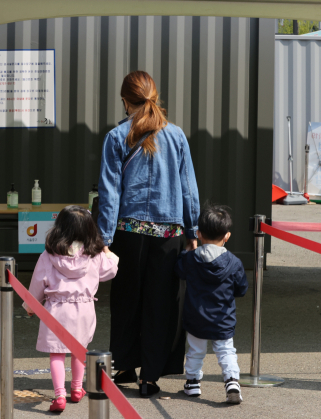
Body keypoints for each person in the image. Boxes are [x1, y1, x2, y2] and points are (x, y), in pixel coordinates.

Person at [97, 70, 200, 397]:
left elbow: (110, 192)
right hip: (169, 235)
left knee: (127, 299)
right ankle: (150, 377)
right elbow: (188, 189)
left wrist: (104, 238)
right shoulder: (178, 136)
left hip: (129, 232)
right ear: (154, 97)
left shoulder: (117, 137)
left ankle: (124, 365)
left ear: (126, 101)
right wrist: (193, 229)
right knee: (161, 304)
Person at [23, 206, 119, 412]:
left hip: (56, 310)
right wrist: (107, 250)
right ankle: (76, 389)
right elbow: (110, 271)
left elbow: (38, 282)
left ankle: (59, 395)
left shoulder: (49, 255)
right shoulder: (94, 254)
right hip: (84, 310)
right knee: (79, 351)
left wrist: (30, 306)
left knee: (57, 354)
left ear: (60, 227)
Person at [175, 204, 248, 404]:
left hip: (195, 316)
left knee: (195, 351)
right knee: (226, 351)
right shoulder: (234, 263)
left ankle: (192, 383)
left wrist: (185, 253)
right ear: (227, 236)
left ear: (198, 234)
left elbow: (179, 271)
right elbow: (241, 289)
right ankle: (232, 382)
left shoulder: (190, 259)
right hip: (223, 319)